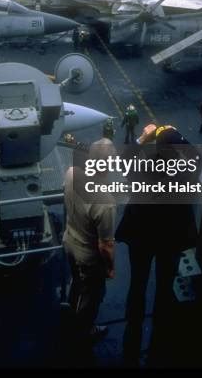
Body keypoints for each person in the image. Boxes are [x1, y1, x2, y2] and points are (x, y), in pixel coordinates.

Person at [115, 123, 202, 366]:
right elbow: (199, 156)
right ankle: (161, 328)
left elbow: (124, 158)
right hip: (171, 240)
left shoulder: (141, 168)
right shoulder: (187, 171)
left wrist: (144, 136)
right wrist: (175, 133)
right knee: (165, 284)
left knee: (138, 283)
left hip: (141, 238)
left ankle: (133, 328)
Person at [62, 138, 117, 343]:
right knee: (91, 296)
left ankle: (71, 307)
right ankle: (83, 331)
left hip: (69, 240)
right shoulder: (106, 202)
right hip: (88, 256)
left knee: (77, 282)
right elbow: (106, 245)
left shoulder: (72, 173)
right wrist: (110, 268)